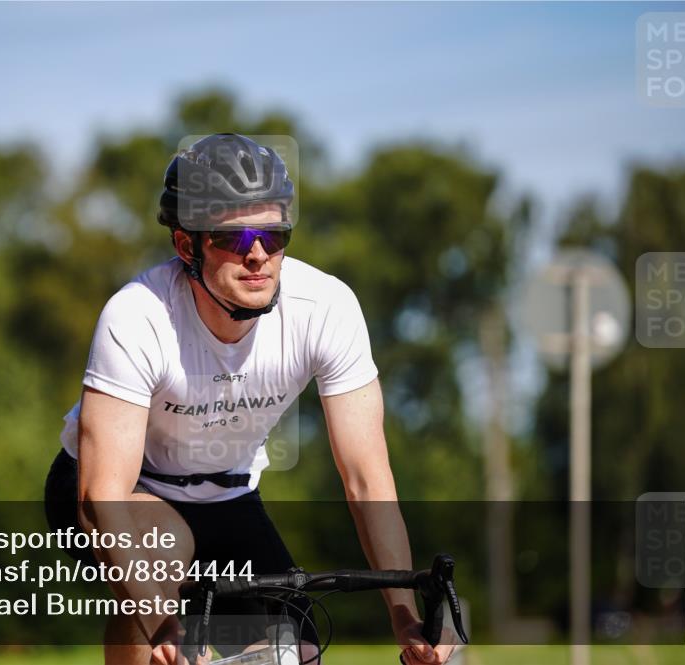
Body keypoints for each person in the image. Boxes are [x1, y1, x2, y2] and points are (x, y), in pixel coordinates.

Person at [44, 133, 455, 665]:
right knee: (162, 567)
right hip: (118, 495)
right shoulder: (137, 316)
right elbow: (102, 497)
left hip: (226, 495)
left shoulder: (326, 308)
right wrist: (160, 619)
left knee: (297, 651)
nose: (258, 254)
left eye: (274, 232)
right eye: (233, 238)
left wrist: (404, 616)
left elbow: (367, 479)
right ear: (186, 245)